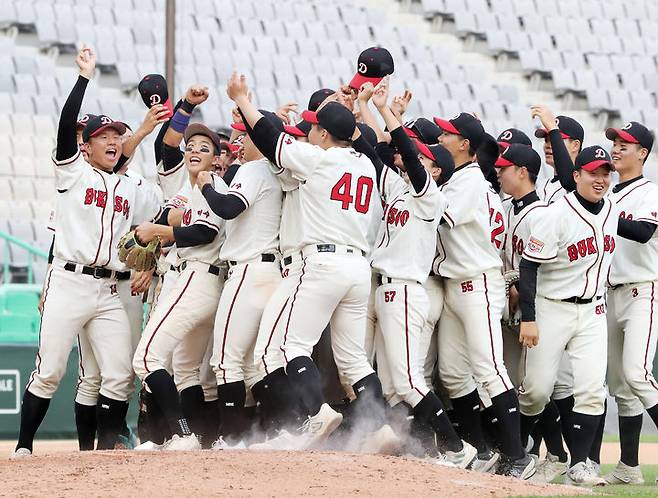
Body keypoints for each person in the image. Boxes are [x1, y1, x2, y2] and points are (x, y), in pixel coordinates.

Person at [226, 72, 391, 450]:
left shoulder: (319, 160)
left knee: (284, 348)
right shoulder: (365, 165)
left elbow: (270, 139)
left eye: (316, 128)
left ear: (323, 135)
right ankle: (380, 427)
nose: (311, 132)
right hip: (357, 268)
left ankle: (314, 417)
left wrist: (243, 100)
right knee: (353, 359)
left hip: (321, 262)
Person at [11, 47, 160, 458]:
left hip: (112, 290)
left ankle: (105, 454)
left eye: (117, 136)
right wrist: (84, 78)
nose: (112, 141)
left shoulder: (130, 185)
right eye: (103, 137)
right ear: (87, 146)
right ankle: (23, 447)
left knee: (117, 377)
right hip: (69, 282)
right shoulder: (72, 174)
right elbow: (64, 129)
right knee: (50, 371)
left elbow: (151, 204)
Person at [367, 80, 477, 467]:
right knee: (396, 385)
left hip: (407, 292)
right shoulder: (398, 188)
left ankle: (457, 449)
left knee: (410, 381)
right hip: (387, 289)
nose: (413, 158)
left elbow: (410, 160)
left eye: (426, 158)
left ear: (436, 170)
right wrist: (367, 104)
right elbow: (376, 150)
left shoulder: (430, 196)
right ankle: (422, 450)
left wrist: (388, 114)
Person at [433, 112, 535, 478]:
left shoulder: (470, 180)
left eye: (448, 134)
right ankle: (483, 450)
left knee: (490, 370)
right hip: (455, 284)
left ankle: (517, 456)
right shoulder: (460, 179)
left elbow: (438, 217)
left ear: (464, 145)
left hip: (477, 283)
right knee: (453, 374)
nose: (441, 138)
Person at [518, 146, 620, 486]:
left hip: (593, 309)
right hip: (552, 307)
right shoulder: (554, 214)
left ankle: (581, 464)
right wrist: (529, 317)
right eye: (593, 172)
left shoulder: (613, 209)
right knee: (536, 391)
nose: (601, 179)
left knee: (592, 389)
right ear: (576, 176)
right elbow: (528, 266)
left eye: (605, 173)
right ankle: (519, 449)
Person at [131, 107, 229, 451]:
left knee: (146, 358)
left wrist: (162, 230)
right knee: (187, 369)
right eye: (191, 146)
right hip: (201, 280)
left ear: (217, 158)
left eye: (205, 147)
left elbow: (203, 231)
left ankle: (181, 434)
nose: (194, 151)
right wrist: (158, 227)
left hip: (198, 277)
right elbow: (166, 213)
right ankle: (197, 439)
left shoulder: (211, 184)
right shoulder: (189, 191)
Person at [199, 110, 285, 447]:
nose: (238, 142)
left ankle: (232, 438)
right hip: (272, 271)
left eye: (244, 135)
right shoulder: (281, 171)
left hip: (248, 271)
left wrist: (206, 185)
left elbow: (227, 208)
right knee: (252, 367)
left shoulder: (254, 168)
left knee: (225, 362)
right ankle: (283, 428)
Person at [604, 122, 658, 486]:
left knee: (638, 374)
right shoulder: (605, 193)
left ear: (643, 153)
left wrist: (603, 213)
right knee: (621, 388)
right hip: (610, 293)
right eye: (615, 143)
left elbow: (642, 232)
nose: (617, 148)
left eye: (626, 144)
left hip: (643, 289)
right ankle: (628, 468)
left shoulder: (650, 192)